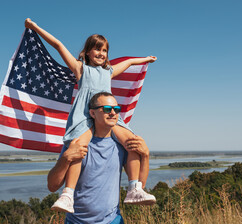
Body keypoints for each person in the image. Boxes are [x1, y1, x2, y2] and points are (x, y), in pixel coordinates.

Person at [25, 19, 156, 213]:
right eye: (97, 49)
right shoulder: (81, 69)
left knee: (132, 142)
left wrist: (145, 59)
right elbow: (58, 45)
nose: (101, 54)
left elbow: (128, 63)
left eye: (104, 51)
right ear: (87, 52)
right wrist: (34, 27)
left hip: (108, 115)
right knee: (79, 148)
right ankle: (68, 195)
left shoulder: (109, 73)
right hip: (85, 117)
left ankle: (134, 188)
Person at [48, 92, 151, 223]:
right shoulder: (77, 145)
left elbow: (140, 186)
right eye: (107, 109)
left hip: (112, 220)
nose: (113, 113)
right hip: (76, 221)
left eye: (116, 109)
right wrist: (65, 158)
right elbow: (52, 186)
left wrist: (146, 155)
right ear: (92, 113)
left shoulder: (122, 146)